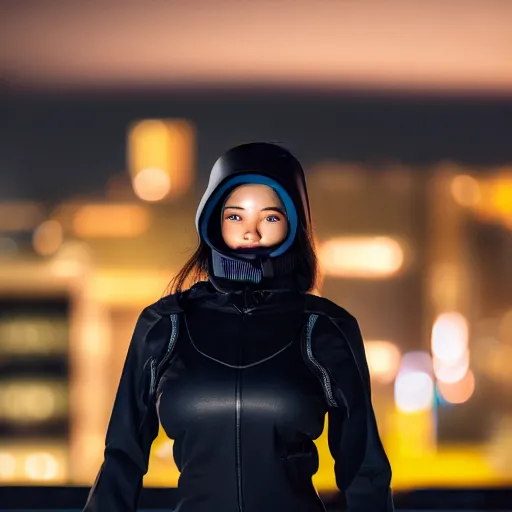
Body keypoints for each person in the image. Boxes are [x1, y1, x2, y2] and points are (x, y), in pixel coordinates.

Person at [83, 142, 394, 512]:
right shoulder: (165, 326)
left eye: (271, 217)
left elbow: (364, 469)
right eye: (235, 217)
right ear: (213, 221)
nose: (252, 232)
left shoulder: (324, 328)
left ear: (294, 225)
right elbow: (122, 458)